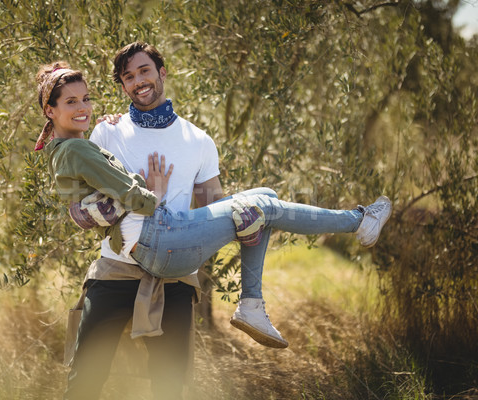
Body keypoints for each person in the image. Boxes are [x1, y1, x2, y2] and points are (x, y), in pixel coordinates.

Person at [34, 48, 392, 399]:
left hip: (174, 274)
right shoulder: (106, 131)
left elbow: (211, 209)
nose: (138, 81)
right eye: (128, 77)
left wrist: (244, 223)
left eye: (144, 71)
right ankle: (345, 231)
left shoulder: (199, 141)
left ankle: (253, 302)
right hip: (116, 271)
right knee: (84, 380)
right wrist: (139, 196)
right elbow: (80, 203)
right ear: (122, 86)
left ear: (162, 72)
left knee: (170, 387)